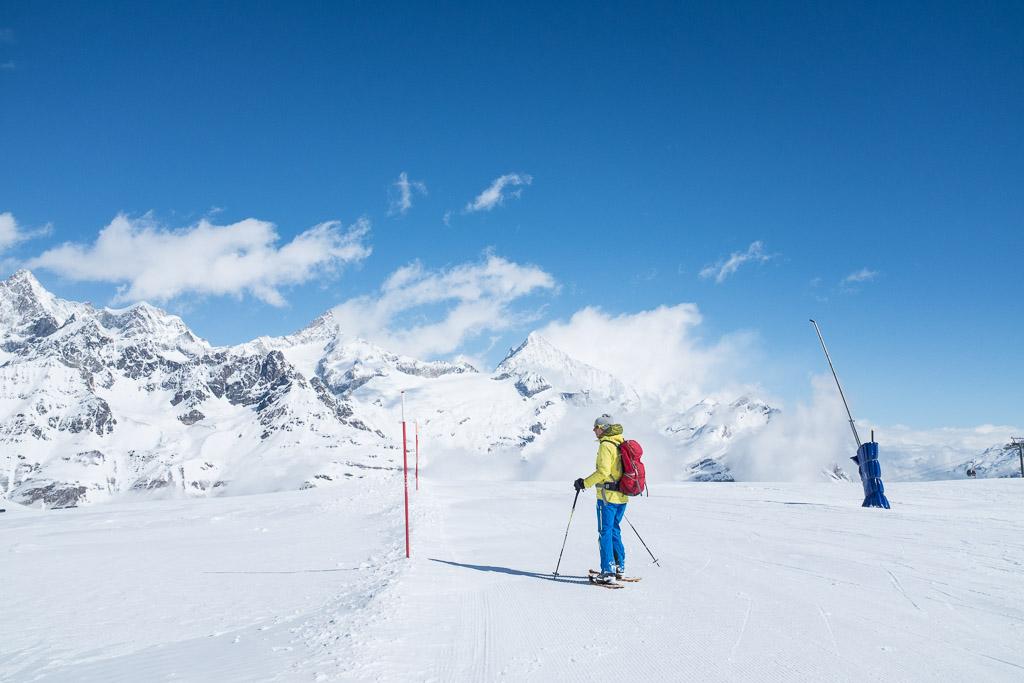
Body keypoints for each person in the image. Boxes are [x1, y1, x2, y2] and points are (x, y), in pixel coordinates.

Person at [574, 413, 627, 584]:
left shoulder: (606, 445)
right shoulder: (620, 442)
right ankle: (619, 567)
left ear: (603, 428)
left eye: (596, 427)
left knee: (604, 532)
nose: (594, 430)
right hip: (622, 496)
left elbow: (603, 472)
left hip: (607, 497)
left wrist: (584, 483)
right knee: (614, 530)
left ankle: (608, 572)